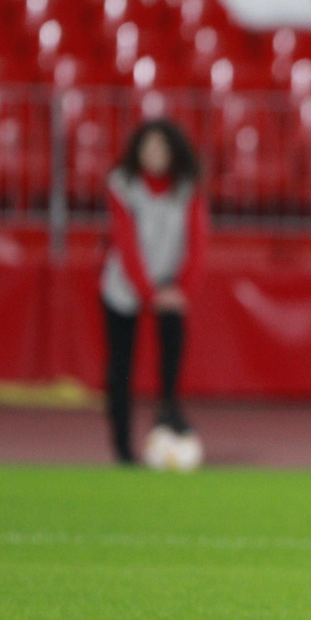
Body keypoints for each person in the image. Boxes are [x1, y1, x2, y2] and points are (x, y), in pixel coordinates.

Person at [101, 118, 209, 465]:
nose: (154, 154)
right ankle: (122, 445)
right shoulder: (123, 185)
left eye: (161, 147)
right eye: (148, 147)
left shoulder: (186, 187)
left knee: (172, 358)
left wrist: (181, 289)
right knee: (121, 367)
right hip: (125, 285)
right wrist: (148, 292)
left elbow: (197, 242)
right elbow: (124, 242)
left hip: (170, 284)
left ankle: (169, 417)